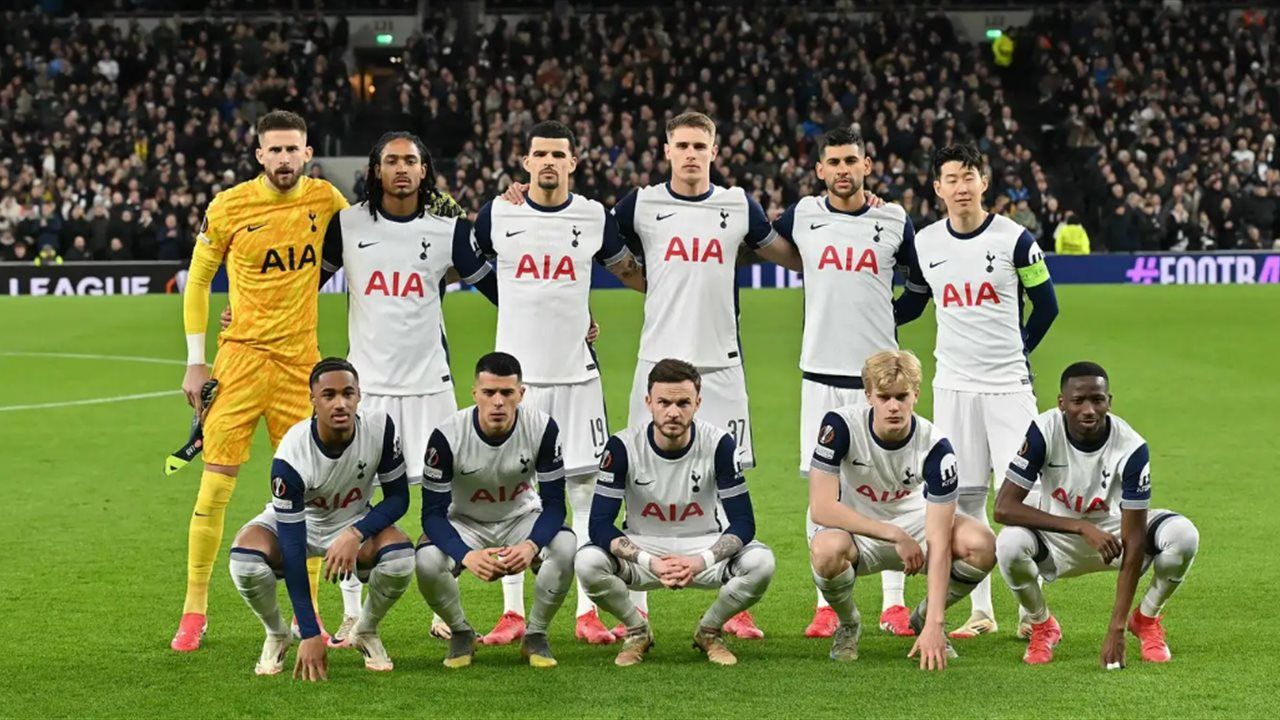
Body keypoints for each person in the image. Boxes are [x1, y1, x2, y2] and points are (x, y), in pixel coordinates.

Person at [173, 110, 349, 652]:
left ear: (307, 153)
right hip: (241, 362)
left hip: (300, 367)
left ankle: (308, 612)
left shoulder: (326, 200)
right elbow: (198, 280)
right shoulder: (229, 206)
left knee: (310, 491)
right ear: (259, 155)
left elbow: (374, 236)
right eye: (274, 150)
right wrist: (196, 360)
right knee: (215, 483)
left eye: (293, 149)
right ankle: (194, 611)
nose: (284, 159)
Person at [315, 130, 496, 646]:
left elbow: (504, 291)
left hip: (429, 387)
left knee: (459, 501)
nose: (400, 169)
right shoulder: (347, 225)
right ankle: (352, 613)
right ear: (376, 170)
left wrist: (575, 319)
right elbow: (301, 287)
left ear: (424, 170)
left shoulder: (448, 231)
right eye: (391, 160)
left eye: (410, 161)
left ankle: (446, 606)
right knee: (350, 501)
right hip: (366, 391)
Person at [473, 120, 645, 646]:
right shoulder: (498, 212)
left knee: (586, 492)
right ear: (526, 162)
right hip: (517, 384)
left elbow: (630, 271)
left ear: (573, 162)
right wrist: (513, 305)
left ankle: (587, 611)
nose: (548, 162)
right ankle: (511, 613)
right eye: (540, 154)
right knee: (510, 492)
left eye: (558, 154)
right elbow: (464, 264)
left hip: (576, 378)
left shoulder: (593, 216)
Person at [896, 143, 1059, 639]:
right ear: (938, 188)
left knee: (1022, 499)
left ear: (983, 183)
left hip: (1008, 388)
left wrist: (1020, 351)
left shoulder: (1016, 240)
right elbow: (912, 305)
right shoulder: (925, 243)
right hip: (953, 389)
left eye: (969, 177)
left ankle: (1033, 615)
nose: (962, 186)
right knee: (962, 501)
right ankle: (981, 612)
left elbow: (1047, 306)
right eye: (952, 178)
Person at [772, 127, 928, 639]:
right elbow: (763, 239)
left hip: (880, 380)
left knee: (892, 485)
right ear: (820, 170)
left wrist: (889, 316)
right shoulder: (803, 215)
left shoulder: (893, 218)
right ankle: (826, 602)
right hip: (820, 375)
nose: (843, 169)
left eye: (851, 161)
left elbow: (919, 284)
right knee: (822, 487)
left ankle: (894, 604)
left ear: (867, 165)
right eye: (834, 162)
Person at [994, 362, 1199, 666]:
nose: (1089, 410)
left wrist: (1116, 628)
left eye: (1097, 400)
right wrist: (1080, 527)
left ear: (1109, 402)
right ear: (1062, 403)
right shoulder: (1044, 430)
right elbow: (1003, 508)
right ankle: (1042, 625)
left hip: (1115, 536)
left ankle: (1146, 619)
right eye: (1078, 401)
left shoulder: (1132, 447)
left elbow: (1134, 538)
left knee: (1183, 536)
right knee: (1008, 544)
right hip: (1058, 539)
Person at [575, 359, 776, 667]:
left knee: (761, 563)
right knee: (587, 562)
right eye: (664, 402)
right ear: (648, 403)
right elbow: (600, 524)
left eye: (683, 403)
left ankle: (709, 631)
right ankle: (637, 631)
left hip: (702, 544)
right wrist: (650, 562)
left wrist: (701, 561)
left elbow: (743, 523)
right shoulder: (623, 447)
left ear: (698, 403)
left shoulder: (719, 444)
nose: (673, 412)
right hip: (644, 546)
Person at [227, 358, 414, 679]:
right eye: (329, 395)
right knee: (244, 560)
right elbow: (292, 546)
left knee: (401, 558)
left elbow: (399, 498)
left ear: (359, 395)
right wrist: (311, 633)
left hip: (354, 521)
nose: (340, 403)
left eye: (348, 393)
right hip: (298, 524)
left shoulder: (380, 428)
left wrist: (355, 533)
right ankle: (277, 633)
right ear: (313, 399)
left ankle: (365, 630)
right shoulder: (292, 454)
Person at [807, 350, 995, 668]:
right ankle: (849, 623)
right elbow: (822, 508)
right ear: (869, 396)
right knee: (826, 551)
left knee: (983, 544)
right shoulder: (840, 426)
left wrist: (935, 622)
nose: (893, 406)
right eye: (884, 397)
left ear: (915, 395)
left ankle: (923, 618)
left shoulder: (936, 449)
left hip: (916, 525)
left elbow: (938, 541)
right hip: (856, 528)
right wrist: (894, 534)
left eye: (901, 396)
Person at [413, 352, 577, 669]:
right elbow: (431, 515)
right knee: (426, 561)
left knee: (566, 546)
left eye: (507, 392)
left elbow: (556, 504)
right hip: (465, 522)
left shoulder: (542, 428)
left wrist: (531, 546)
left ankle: (536, 634)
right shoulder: (447, 436)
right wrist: (465, 555)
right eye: (489, 392)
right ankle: (461, 631)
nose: (498, 402)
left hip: (521, 518)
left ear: (521, 394)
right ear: (475, 393)